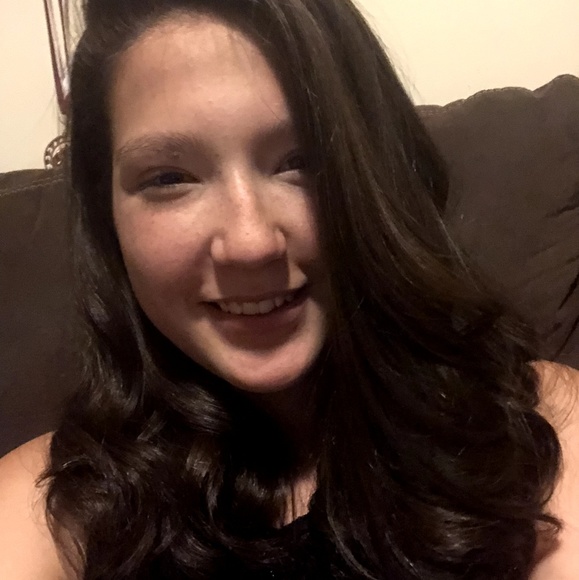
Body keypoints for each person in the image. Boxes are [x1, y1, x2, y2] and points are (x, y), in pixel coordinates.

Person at [0, 0, 577, 578]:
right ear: (108, 220)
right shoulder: (48, 510)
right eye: (170, 178)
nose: (251, 242)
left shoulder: (544, 430)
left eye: (301, 160)